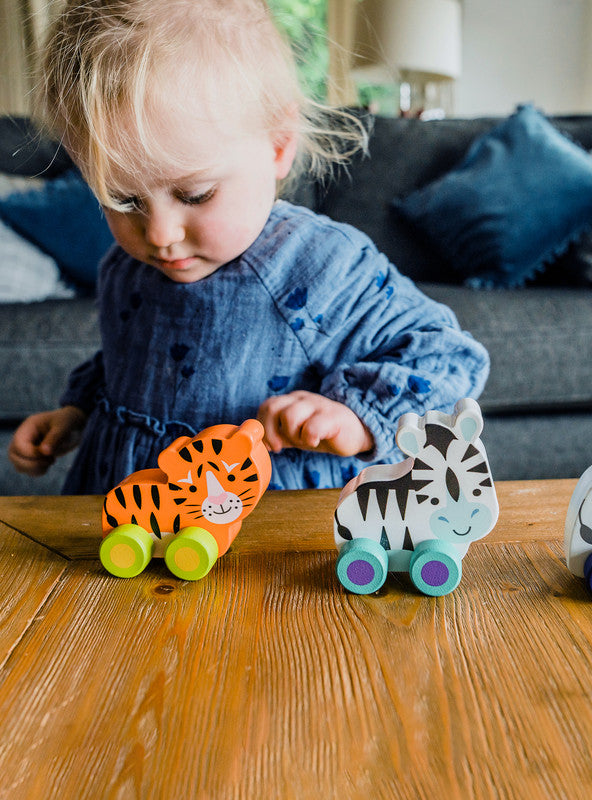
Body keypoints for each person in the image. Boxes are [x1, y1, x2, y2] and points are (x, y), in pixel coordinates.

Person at [7, 0, 489, 493]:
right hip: (127, 512)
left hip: (254, 521)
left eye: (194, 195)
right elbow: (127, 362)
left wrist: (356, 417)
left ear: (279, 144)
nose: (159, 234)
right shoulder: (125, 266)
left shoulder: (319, 265)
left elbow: (447, 357)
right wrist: (77, 413)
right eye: (123, 200)